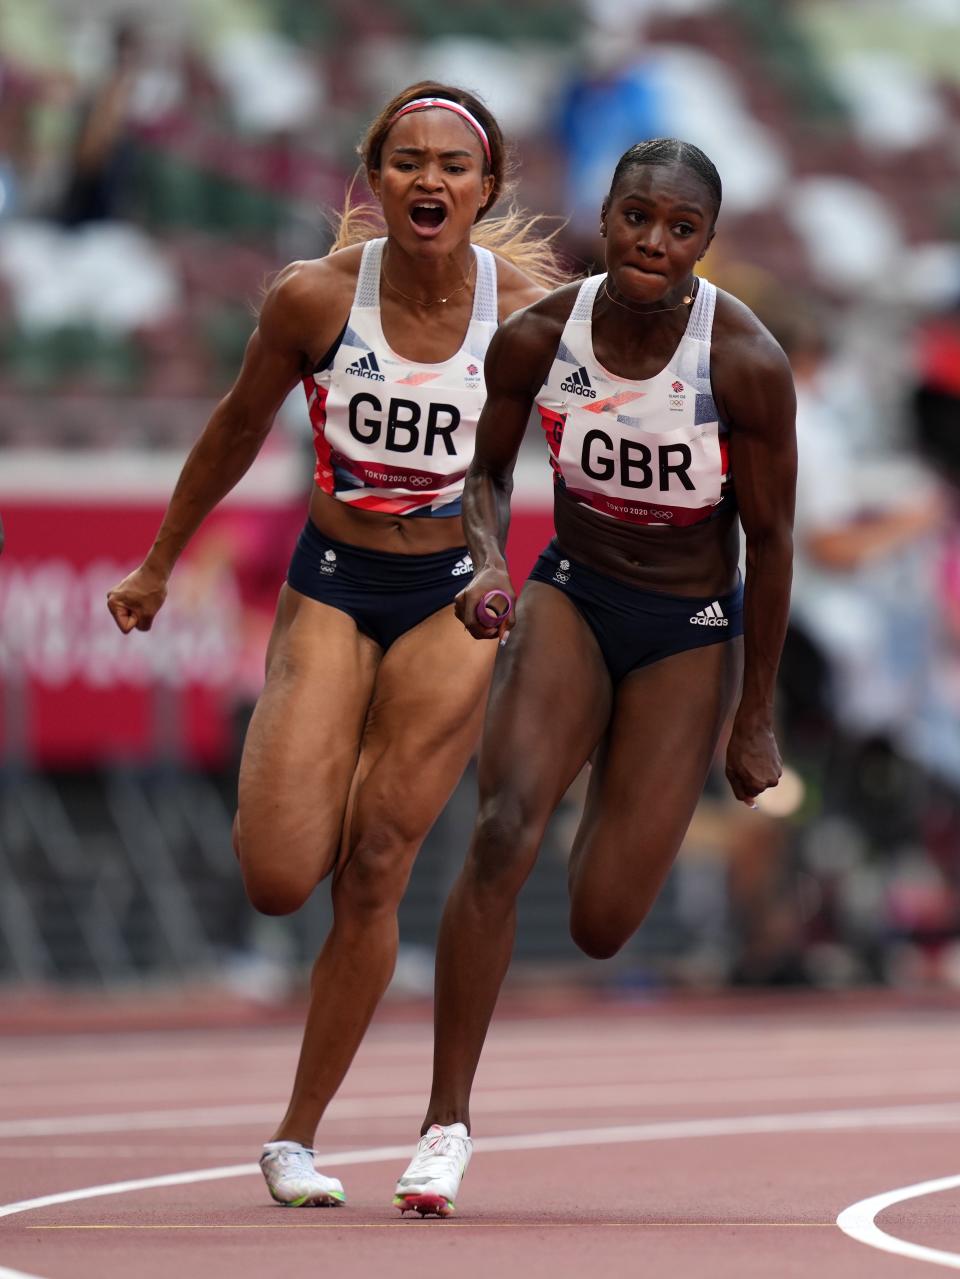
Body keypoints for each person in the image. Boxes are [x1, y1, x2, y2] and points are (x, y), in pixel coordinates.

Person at [106, 81, 563, 1207]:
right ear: (374, 178)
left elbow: (602, 435)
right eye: (406, 160)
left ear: (485, 187)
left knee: (376, 869)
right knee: (275, 877)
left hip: (453, 594)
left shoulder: (527, 309)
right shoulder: (314, 300)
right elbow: (233, 426)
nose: (429, 180)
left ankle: (295, 1137)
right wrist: (160, 559)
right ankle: (293, 785)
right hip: (335, 583)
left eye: (453, 166)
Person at [392, 137, 797, 1217]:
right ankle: (444, 1123)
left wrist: (753, 717)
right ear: (605, 214)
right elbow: (485, 470)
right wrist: (483, 560)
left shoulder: (744, 360)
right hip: (573, 591)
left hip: (687, 627)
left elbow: (773, 537)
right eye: (637, 218)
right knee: (500, 828)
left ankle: (625, 773)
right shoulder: (543, 333)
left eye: (681, 230)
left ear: (707, 242)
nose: (653, 245)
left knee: (602, 921)